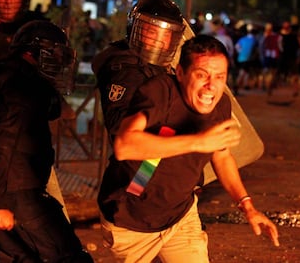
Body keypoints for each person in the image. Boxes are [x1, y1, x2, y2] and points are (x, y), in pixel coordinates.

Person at [99, 34, 279, 262]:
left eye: (219, 77)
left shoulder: (220, 103)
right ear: (181, 73)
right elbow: (125, 145)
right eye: (202, 75)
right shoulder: (161, 92)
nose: (211, 86)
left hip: (181, 216)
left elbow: (222, 157)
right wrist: (199, 141)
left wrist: (247, 206)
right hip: (130, 222)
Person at [0, 20, 93, 262]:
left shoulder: (5, 74)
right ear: (35, 51)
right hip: (16, 192)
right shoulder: (22, 84)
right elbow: (4, 140)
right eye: (55, 55)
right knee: (67, 256)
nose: (59, 64)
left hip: (11, 189)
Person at [92, 0, 186, 140]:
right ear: (135, 29)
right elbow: (118, 126)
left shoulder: (160, 68)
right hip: (140, 155)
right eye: (151, 32)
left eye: (166, 34)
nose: (158, 40)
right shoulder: (126, 69)